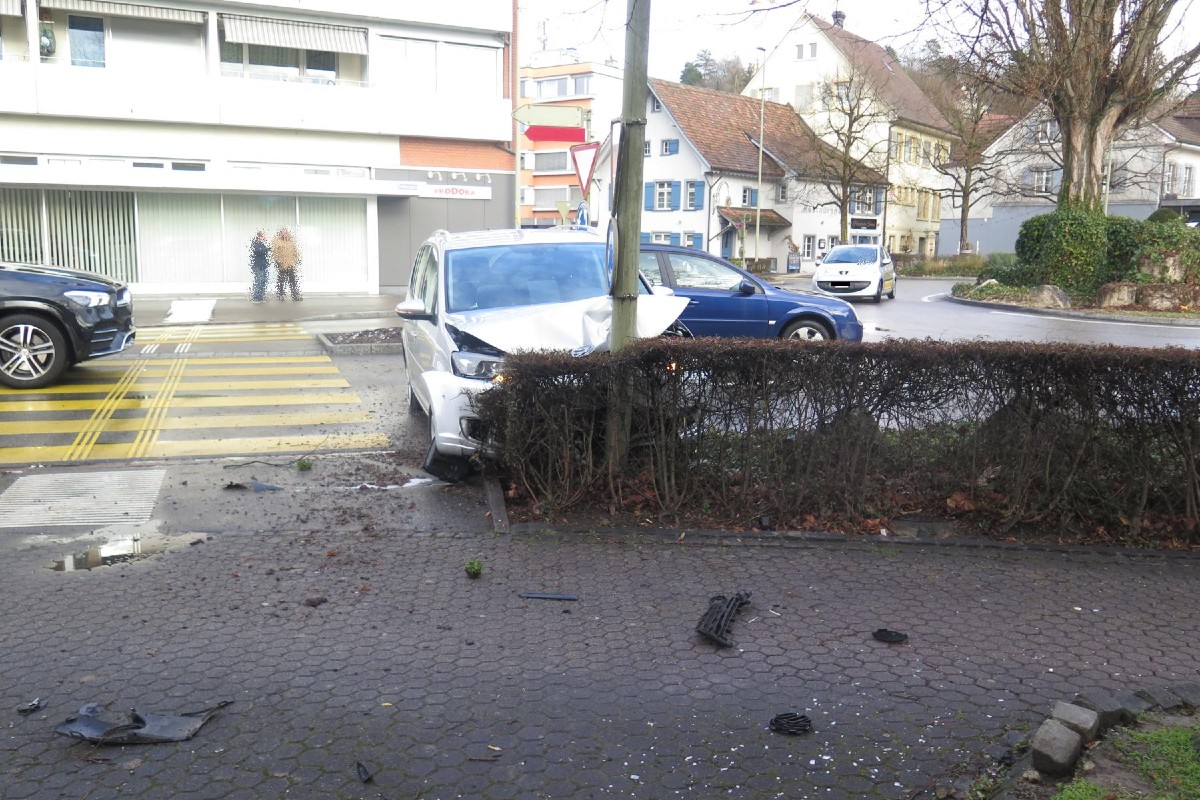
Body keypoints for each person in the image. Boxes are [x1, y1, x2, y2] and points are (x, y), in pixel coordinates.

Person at [271, 228, 302, 301]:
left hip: (290, 264)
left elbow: (295, 252)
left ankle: (295, 295)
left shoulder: (291, 242)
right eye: (283, 233)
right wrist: (278, 262)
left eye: (286, 233)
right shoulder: (277, 242)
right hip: (282, 265)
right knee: (281, 280)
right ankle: (280, 294)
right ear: (280, 234)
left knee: (293, 280)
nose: (284, 234)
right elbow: (275, 253)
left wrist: (296, 259)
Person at [249, 231, 269, 303]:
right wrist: (266, 249)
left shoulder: (262, 244)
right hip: (258, 266)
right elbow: (258, 251)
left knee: (263, 281)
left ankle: (261, 297)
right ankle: (256, 297)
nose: (265, 237)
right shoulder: (256, 244)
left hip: (263, 265)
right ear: (259, 237)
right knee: (259, 281)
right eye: (263, 236)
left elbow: (264, 252)